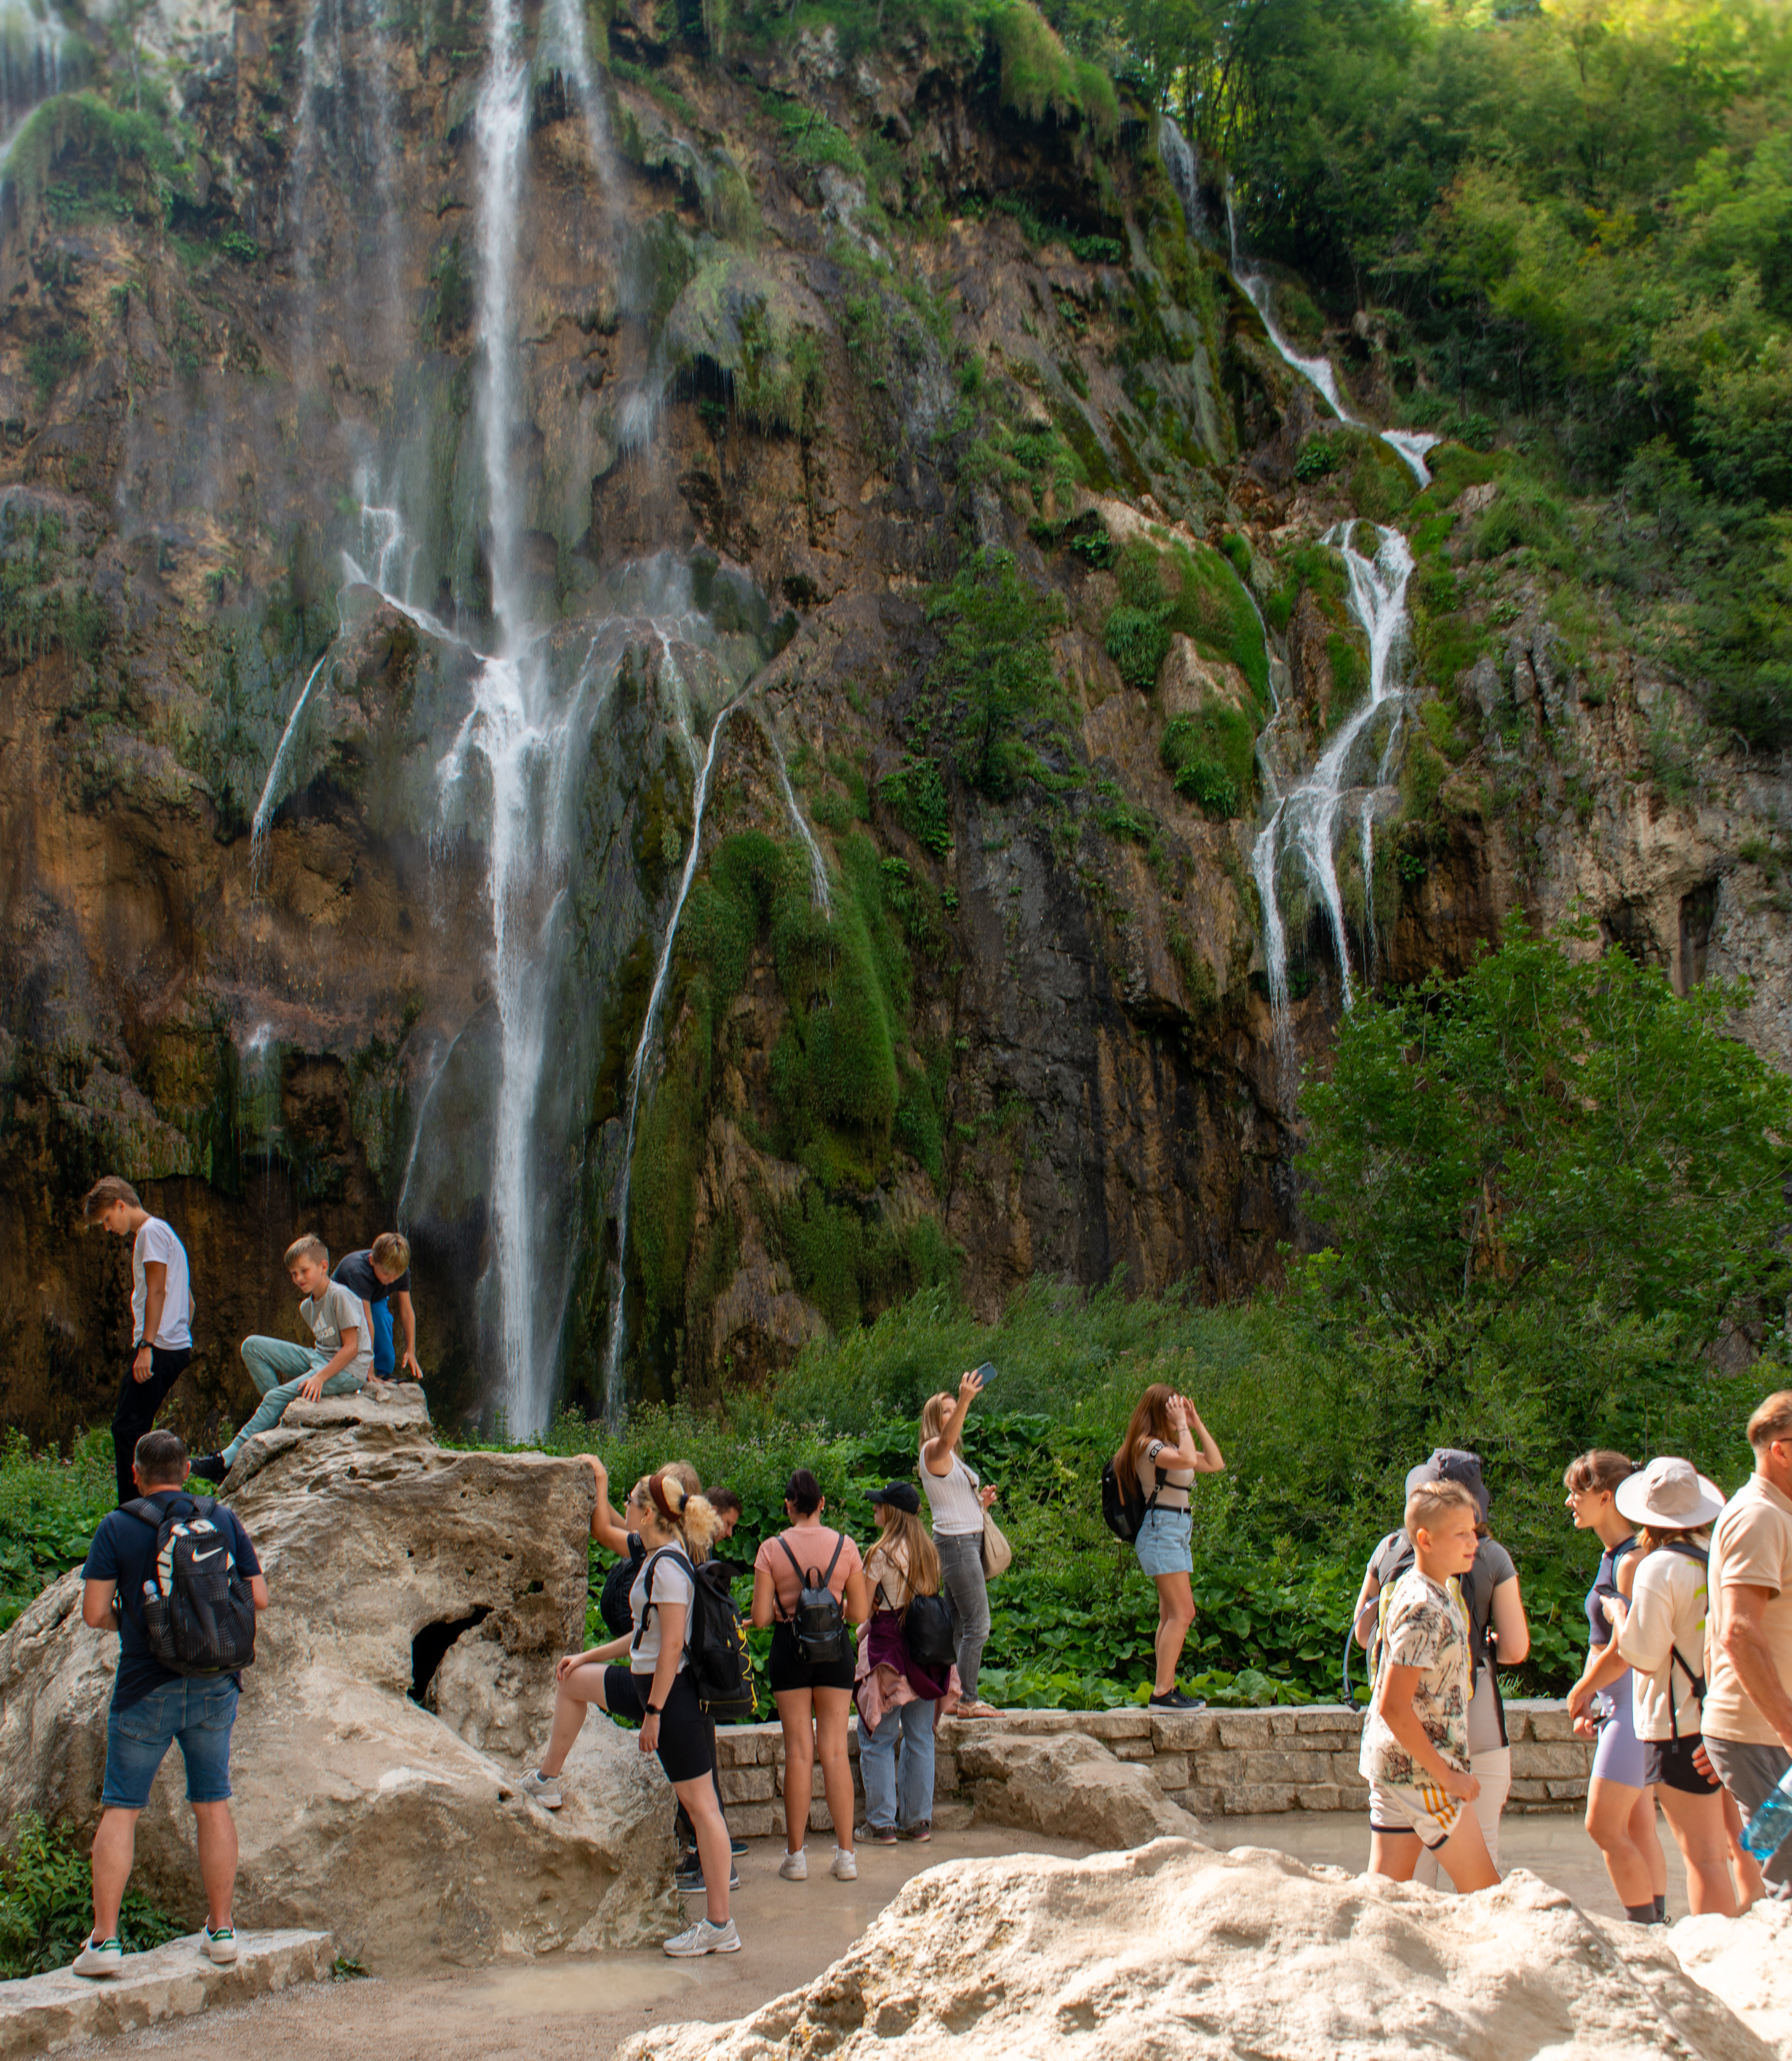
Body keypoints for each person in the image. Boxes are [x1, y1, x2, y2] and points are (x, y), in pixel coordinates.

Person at [73, 1430, 269, 1976]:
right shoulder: (222, 1519)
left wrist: (135, 1623)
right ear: (186, 1472)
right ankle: (223, 1930)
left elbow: (93, 1613)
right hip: (214, 1684)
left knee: (122, 1809)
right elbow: (258, 1597)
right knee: (213, 1802)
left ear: (136, 1475)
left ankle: (106, 1942)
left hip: (144, 1687)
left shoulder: (119, 1526)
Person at [521, 1470, 739, 1957]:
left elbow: (671, 1649)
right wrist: (587, 1656)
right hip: (646, 1688)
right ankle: (547, 1779)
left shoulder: (667, 1567)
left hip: (670, 1698)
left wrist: (655, 1713)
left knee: (702, 1807)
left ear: (647, 1513)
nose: (626, 1507)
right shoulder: (659, 1559)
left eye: (630, 1502)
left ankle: (720, 1924)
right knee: (572, 1683)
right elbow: (644, 1637)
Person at [1578, 1456, 1756, 1918]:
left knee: (1703, 1858)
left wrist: (1620, 1616)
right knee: (1742, 1848)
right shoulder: (1717, 1556)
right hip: (1725, 1718)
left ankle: (1712, 1958)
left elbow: (1639, 1654)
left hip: (1678, 1726)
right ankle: (1756, 1931)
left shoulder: (1658, 1568)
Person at [1351, 1449, 1529, 1887]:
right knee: (1486, 1891)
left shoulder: (1432, 1588)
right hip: (1423, 1773)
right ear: (1425, 1540)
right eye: (1461, 1535)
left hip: (1393, 1765)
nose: (1474, 1543)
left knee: (1385, 1889)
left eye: (1474, 1532)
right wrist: (1447, 1775)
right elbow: (1395, 1707)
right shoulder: (1424, 1608)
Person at [1563, 1449, 1669, 1921]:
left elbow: (1625, 1651)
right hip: (1620, 1707)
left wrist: (1580, 1691)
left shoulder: (1630, 1561)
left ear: (1606, 1498)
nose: (1569, 1502)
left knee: (1604, 1828)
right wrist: (1592, 1695)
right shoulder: (1616, 1556)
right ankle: (1658, 1928)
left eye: (1576, 1493)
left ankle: (1644, 1931)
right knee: (1640, 1826)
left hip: (1630, 1709)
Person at [751, 1468, 870, 1883]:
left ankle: (796, 1857)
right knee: (835, 1751)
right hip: (836, 1651)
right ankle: (846, 1857)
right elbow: (859, 1612)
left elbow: (763, 1618)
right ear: (822, 1504)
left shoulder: (771, 1548)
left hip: (790, 1650)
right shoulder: (846, 1545)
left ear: (788, 1505)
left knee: (799, 1752)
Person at [1701, 1390, 1792, 1894]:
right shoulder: (1760, 1517)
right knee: (1789, 1879)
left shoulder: (1777, 1513)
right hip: (1764, 1736)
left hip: (1764, 1733)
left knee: (1779, 1869)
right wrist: (1788, 1726)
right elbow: (1738, 1630)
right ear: (1782, 1450)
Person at [190, 1236, 372, 1481]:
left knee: (276, 1396)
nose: (299, 1278)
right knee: (251, 1346)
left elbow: (352, 1348)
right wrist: (316, 1370)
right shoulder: (306, 1307)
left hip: (349, 1370)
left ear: (324, 1266)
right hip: (319, 1357)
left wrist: (319, 1378)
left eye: (304, 1271)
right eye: (294, 1273)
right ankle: (280, 1417)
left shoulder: (340, 1296)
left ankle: (225, 1461)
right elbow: (325, 1347)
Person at [82, 1177, 195, 1509]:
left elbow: (158, 1289)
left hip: (158, 1346)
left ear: (121, 1204)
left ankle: (135, 1511)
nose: (107, 1228)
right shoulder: (165, 1232)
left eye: (106, 1219)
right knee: (135, 1428)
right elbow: (188, 1301)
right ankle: (151, 1503)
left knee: (126, 1429)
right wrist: (179, 1334)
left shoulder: (150, 1232)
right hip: (172, 1345)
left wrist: (147, 1345)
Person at [856, 1482, 958, 1844]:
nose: (875, 1510)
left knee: (877, 1737)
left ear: (892, 1513)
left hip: (889, 1653)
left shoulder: (880, 1553)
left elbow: (862, 1606)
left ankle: (881, 1824)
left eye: (879, 1505)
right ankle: (917, 1821)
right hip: (926, 1653)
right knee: (920, 1737)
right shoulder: (929, 1550)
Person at [1113, 1384, 1225, 1712]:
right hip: (1161, 1529)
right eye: (1172, 1408)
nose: (1177, 1414)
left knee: (1169, 1615)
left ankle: (1167, 1688)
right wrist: (1181, 1426)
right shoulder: (1146, 1445)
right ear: (1160, 1410)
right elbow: (1189, 1458)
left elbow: (1215, 1463)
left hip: (1176, 1530)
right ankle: (1162, 1693)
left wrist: (1196, 1423)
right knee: (1183, 1613)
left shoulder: (1173, 1445)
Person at [918, 1372, 1001, 1718]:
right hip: (957, 1546)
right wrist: (966, 1399)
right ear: (934, 1422)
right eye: (947, 1412)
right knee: (978, 1624)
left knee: (956, 1625)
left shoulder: (953, 1461)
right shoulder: (933, 1451)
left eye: (956, 1409)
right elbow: (946, 1442)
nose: (954, 1417)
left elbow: (951, 1503)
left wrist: (980, 1504)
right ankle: (969, 1699)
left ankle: (951, 1693)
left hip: (964, 1542)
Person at [330, 1233, 419, 1387]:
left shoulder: (399, 1271)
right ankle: (357, 1370)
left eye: (396, 1276)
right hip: (341, 1303)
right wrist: (368, 1366)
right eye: (386, 1274)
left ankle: (384, 1373)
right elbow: (366, 1321)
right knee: (364, 1325)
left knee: (382, 1316)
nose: (391, 1280)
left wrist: (411, 1350)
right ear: (372, 1260)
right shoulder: (358, 1271)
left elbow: (407, 1312)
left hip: (373, 1298)